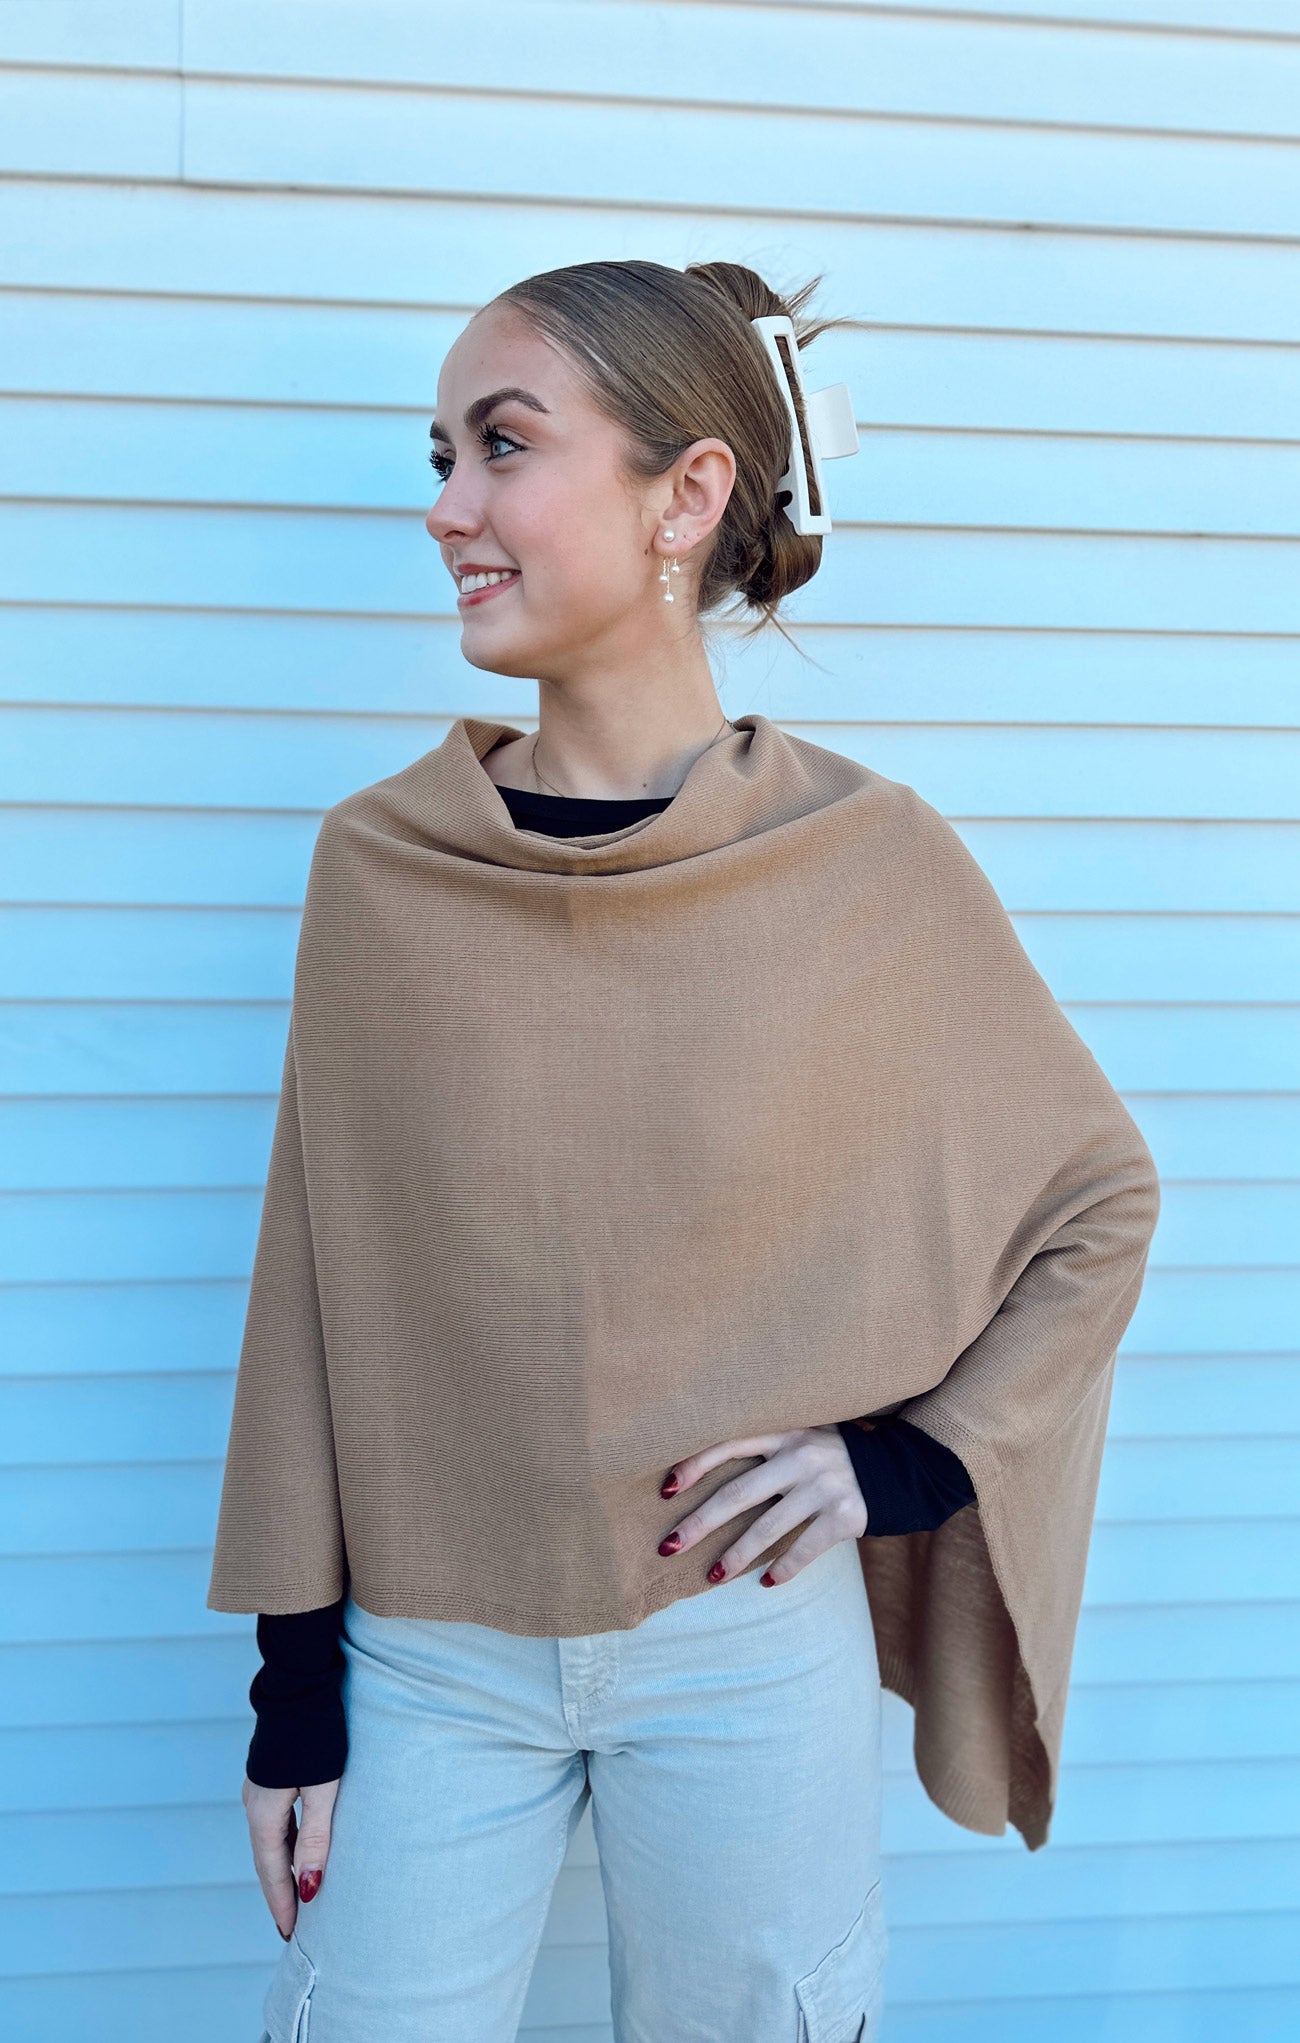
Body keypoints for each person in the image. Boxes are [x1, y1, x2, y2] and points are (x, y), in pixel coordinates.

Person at [207, 259, 1160, 2043]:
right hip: (424, 1658)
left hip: (742, 1651)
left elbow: (1094, 1203)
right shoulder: (382, 868)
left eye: (502, 446)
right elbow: (313, 1294)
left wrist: (911, 1465)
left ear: (690, 491)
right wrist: (292, 1697)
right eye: (441, 454)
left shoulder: (862, 866)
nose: (446, 509)